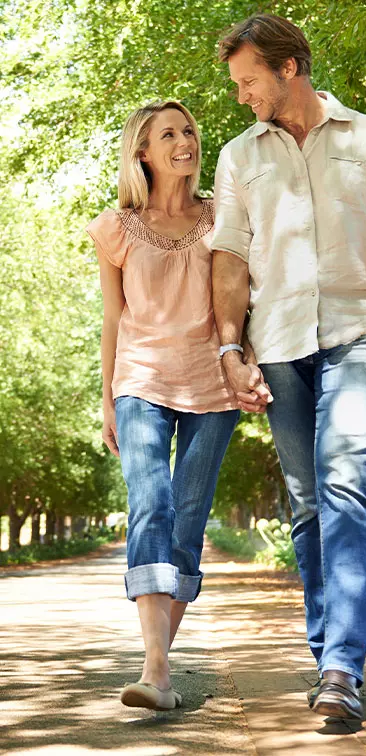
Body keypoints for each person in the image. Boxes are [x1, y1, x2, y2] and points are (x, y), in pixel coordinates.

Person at [211, 14, 366, 720]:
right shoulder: (239, 156)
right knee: (307, 500)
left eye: (249, 81)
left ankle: (342, 666)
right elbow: (231, 261)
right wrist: (228, 346)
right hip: (278, 345)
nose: (242, 95)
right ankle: (326, 651)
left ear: (289, 68)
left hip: (358, 332)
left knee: (343, 479)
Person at [86, 100, 240, 711]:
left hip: (212, 384)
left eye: (190, 131)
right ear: (142, 152)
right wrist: (107, 400)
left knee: (188, 518)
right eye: (168, 134)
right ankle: (156, 670)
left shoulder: (223, 216)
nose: (185, 141)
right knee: (150, 501)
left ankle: (159, 669)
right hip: (141, 380)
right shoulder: (116, 229)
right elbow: (113, 318)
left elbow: (238, 295)